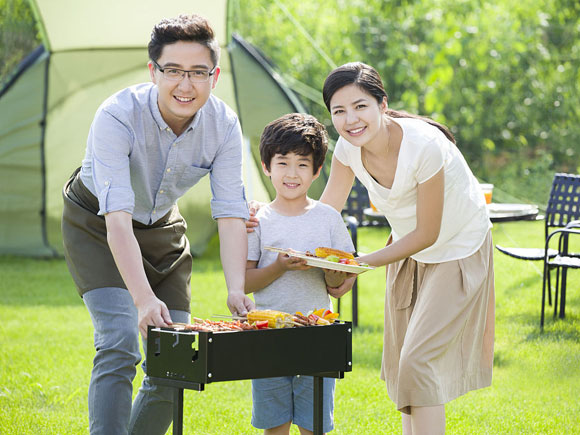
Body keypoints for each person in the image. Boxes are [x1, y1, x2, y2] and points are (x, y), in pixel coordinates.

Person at [248, 62, 494, 435]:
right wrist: (270, 216)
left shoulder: (425, 146)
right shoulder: (348, 149)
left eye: (360, 106)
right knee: (402, 366)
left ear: (382, 104)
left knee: (418, 361)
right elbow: (325, 212)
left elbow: (429, 232)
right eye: (339, 111)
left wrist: (357, 265)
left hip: (456, 248)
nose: (351, 119)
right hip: (408, 251)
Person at [61, 14, 254, 435]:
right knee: (119, 342)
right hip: (97, 224)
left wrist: (236, 287)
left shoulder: (224, 126)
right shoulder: (117, 115)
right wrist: (144, 301)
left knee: (177, 358)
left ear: (215, 76)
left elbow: (231, 211)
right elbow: (116, 220)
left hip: (163, 229)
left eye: (198, 73)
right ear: (153, 71)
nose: (186, 85)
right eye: (173, 71)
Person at [245, 113, 356, 435]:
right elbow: (245, 282)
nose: (292, 174)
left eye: (302, 164)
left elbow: (341, 286)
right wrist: (280, 266)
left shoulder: (328, 219)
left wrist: (330, 271)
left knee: (314, 422)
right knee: (274, 423)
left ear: (317, 171)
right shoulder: (257, 220)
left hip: (317, 335)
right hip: (268, 335)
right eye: (282, 163)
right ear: (266, 167)